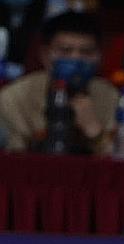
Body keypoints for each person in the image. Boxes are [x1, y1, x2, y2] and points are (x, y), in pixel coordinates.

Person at [0, 12, 116, 154]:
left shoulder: (110, 97)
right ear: (45, 55)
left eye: (86, 52)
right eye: (65, 51)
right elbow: (12, 162)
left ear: (99, 56)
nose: (76, 59)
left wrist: (95, 132)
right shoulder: (14, 98)